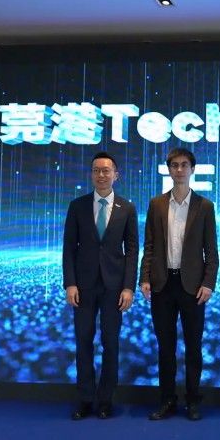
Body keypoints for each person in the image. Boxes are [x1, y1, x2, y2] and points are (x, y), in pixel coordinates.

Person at [140, 148, 218, 421]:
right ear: (169, 169)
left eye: (185, 165)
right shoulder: (157, 204)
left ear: (192, 169)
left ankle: (193, 401)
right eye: (175, 165)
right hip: (162, 284)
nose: (180, 170)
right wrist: (144, 277)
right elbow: (149, 245)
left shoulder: (204, 206)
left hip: (193, 287)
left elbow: (211, 251)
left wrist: (208, 283)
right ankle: (167, 400)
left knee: (193, 346)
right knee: (166, 347)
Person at [62, 151, 138, 420]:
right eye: (96, 170)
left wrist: (129, 287)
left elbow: (132, 250)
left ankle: (105, 400)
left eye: (106, 170)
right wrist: (70, 283)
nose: (101, 175)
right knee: (83, 341)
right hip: (83, 286)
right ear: (91, 174)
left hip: (114, 287)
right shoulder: (78, 206)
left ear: (116, 175)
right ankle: (85, 398)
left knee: (110, 342)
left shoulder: (127, 208)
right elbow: (69, 248)